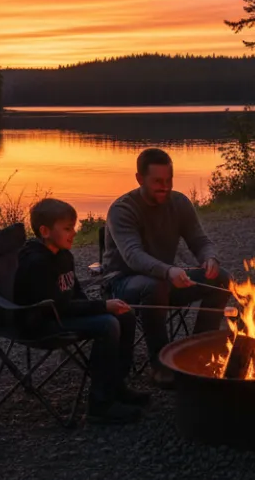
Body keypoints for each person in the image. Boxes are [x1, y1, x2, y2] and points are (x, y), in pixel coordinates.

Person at [103, 148, 231, 388]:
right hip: (123, 284)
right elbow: (133, 256)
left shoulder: (179, 202)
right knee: (155, 286)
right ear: (140, 179)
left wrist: (210, 258)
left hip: (165, 280)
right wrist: (168, 271)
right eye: (158, 181)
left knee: (222, 279)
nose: (165, 186)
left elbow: (200, 241)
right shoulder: (123, 209)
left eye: (169, 180)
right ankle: (161, 367)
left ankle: (199, 353)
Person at [14, 197, 149, 424]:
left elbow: (75, 295)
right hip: (42, 323)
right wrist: (102, 307)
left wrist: (102, 308)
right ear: (45, 231)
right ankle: (100, 403)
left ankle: (116, 385)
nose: (74, 233)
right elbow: (57, 306)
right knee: (108, 324)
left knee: (124, 314)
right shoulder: (37, 263)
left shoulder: (64, 255)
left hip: (63, 314)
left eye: (74, 227)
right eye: (67, 228)